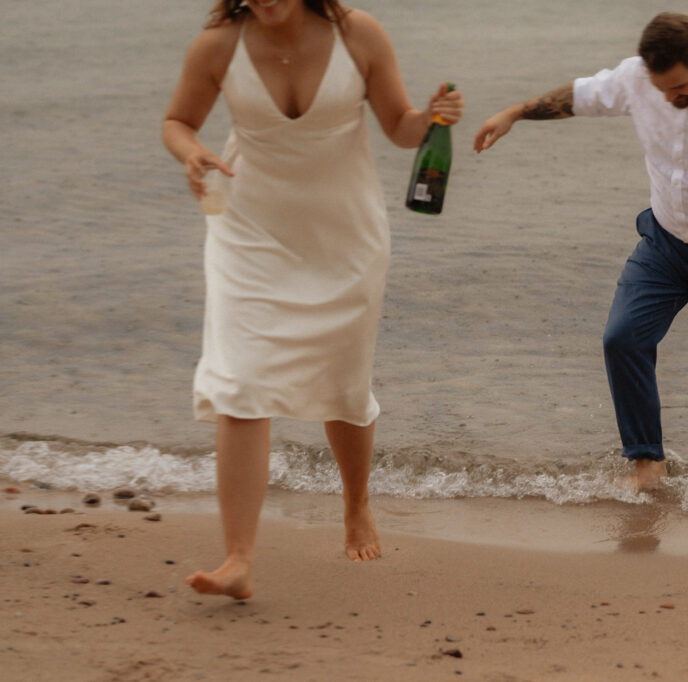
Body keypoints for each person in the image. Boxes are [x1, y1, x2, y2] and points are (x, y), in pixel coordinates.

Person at [162, 0, 463, 599]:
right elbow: (177, 121)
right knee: (241, 383)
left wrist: (431, 117)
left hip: (343, 236)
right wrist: (190, 153)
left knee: (343, 382)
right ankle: (238, 560)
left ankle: (356, 502)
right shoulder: (219, 44)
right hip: (248, 230)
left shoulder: (359, 34)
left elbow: (400, 128)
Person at [474, 12, 688, 490]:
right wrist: (513, 112)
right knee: (623, 338)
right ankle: (647, 465)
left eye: (679, 88)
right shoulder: (639, 78)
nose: (669, 99)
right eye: (660, 89)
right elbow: (579, 97)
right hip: (666, 242)